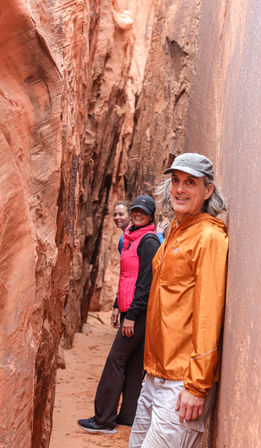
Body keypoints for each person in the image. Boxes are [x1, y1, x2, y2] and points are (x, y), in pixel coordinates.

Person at [129, 153, 229, 448]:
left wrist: (197, 386)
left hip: (182, 381)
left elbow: (209, 312)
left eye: (190, 182)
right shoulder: (175, 230)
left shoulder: (209, 237)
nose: (180, 189)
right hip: (155, 374)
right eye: (175, 181)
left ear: (207, 190)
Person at [78, 195, 161, 434]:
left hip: (140, 313)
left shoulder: (148, 241)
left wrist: (132, 315)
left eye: (142, 212)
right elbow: (127, 276)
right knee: (134, 364)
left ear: (150, 217)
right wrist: (117, 304)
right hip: (131, 309)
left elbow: (146, 282)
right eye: (135, 210)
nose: (137, 214)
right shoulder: (131, 239)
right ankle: (128, 416)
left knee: (116, 359)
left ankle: (103, 419)